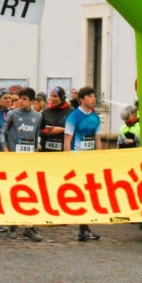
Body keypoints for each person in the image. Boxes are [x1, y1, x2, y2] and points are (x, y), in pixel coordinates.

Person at [0, 86, 44, 242]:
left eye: (25, 99)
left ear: (32, 101)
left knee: (30, 192)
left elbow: (36, 134)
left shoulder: (38, 116)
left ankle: (29, 227)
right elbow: (2, 131)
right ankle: (12, 224)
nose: (21, 102)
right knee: (14, 190)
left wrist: (36, 149)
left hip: (29, 160)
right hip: (14, 159)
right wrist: (5, 149)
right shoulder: (12, 114)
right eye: (20, 99)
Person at [64, 86, 103, 241]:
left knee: (90, 193)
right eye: (90, 96)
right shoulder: (73, 116)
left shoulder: (95, 117)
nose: (93, 99)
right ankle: (82, 227)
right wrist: (68, 160)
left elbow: (98, 140)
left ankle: (84, 227)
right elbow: (67, 141)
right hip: (77, 159)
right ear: (81, 99)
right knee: (80, 193)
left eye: (94, 96)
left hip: (90, 161)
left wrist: (99, 159)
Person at [41, 87, 73, 152]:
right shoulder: (45, 112)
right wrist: (45, 132)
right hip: (46, 151)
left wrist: (62, 130)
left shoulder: (71, 112)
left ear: (62, 97)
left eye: (55, 96)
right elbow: (38, 130)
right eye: (51, 96)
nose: (52, 99)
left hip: (64, 150)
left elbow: (77, 131)